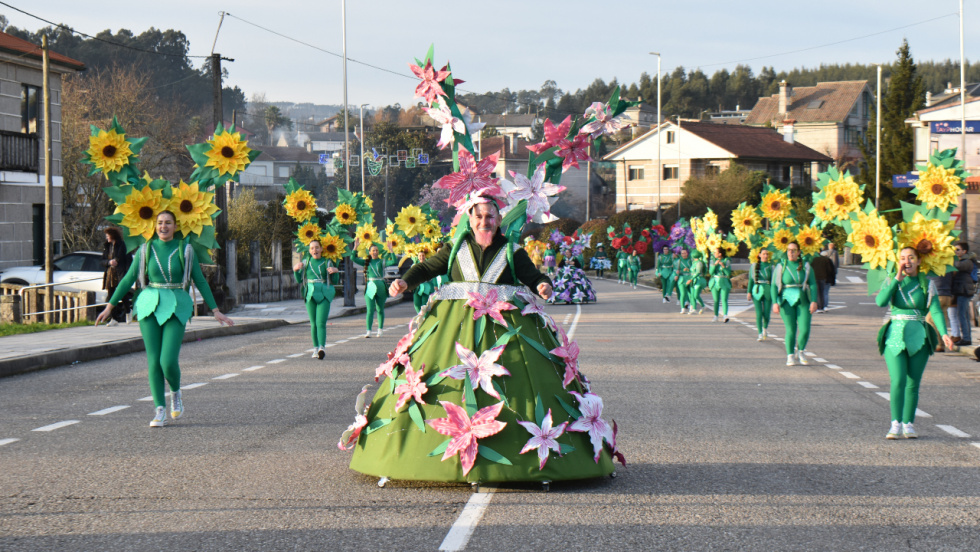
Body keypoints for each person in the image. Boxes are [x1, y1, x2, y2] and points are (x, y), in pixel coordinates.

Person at [343, 199, 620, 484]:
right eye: (479, 216)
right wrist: (405, 281)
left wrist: (542, 285)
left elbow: (532, 275)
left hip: (506, 330)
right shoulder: (454, 251)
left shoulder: (512, 251)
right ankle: (410, 454)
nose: (484, 221)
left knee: (520, 384)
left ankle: (529, 454)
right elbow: (427, 269)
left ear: (500, 220)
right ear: (470, 219)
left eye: (490, 216)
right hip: (453, 328)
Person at [95, 211, 233, 427]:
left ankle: (176, 392)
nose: (163, 226)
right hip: (149, 304)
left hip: (177, 304)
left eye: (168, 223)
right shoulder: (145, 250)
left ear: (175, 226)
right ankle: (159, 410)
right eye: (160, 223)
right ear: (155, 226)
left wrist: (216, 310)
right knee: (153, 361)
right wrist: (109, 306)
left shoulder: (185, 250)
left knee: (167, 361)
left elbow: (200, 281)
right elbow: (127, 280)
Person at [875, 247, 954, 439]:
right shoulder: (892, 280)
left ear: (919, 261)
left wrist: (944, 333)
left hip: (919, 334)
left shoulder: (927, 284)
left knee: (913, 383)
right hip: (895, 334)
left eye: (911, 257)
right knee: (898, 380)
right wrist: (897, 279)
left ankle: (908, 423)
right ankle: (895, 424)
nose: (906, 261)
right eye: (902, 258)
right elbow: (880, 301)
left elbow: (935, 310)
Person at [772, 242, 818, 366]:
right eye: (789, 250)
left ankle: (801, 350)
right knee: (791, 329)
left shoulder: (806, 266)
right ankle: (790, 355)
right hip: (786, 300)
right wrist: (775, 302)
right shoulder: (781, 266)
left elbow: (813, 283)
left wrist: (814, 300)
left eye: (793, 250)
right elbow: (774, 286)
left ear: (798, 252)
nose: (791, 253)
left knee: (805, 328)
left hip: (803, 299)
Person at [293, 239, 340, 360]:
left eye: (317, 247)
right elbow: (299, 280)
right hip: (310, 293)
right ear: (309, 251)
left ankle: (321, 348)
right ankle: (315, 348)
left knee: (321, 323)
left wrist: (336, 271)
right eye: (312, 248)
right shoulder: (306, 262)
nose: (315, 250)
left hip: (324, 293)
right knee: (313, 323)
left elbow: (334, 280)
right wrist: (296, 270)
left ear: (321, 249)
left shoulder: (327, 262)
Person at [353, 242, 390, 338]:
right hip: (370, 287)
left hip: (381, 286)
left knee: (380, 309)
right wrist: (355, 247)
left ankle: (380, 330)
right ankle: (368, 331)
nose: (375, 252)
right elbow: (353, 258)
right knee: (370, 310)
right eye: (373, 250)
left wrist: (391, 250)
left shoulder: (381, 261)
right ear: (369, 252)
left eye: (377, 250)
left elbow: (393, 261)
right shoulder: (366, 262)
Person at [101, 227, 132, 325]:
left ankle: (128, 311)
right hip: (110, 273)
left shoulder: (122, 245)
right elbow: (102, 260)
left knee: (122, 293)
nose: (106, 237)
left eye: (107, 235)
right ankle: (113, 319)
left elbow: (128, 259)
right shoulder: (107, 246)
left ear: (112, 235)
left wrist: (128, 273)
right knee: (111, 295)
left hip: (120, 272)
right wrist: (109, 262)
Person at [951, 242, 976, 346]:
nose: (955, 252)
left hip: (964, 291)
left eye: (957, 250)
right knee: (963, 315)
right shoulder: (964, 260)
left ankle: (966, 338)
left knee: (962, 315)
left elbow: (958, 266)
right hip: (961, 290)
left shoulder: (967, 261)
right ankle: (966, 337)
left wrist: (950, 259)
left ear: (964, 251)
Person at [748, 248, 774, 341]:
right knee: (759, 313)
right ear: (759, 255)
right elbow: (751, 280)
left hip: (768, 290)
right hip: (757, 290)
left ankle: (764, 328)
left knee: (766, 313)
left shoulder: (771, 266)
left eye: (767, 254)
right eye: (764, 254)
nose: (765, 256)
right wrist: (749, 292)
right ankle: (759, 333)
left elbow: (773, 281)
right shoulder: (754, 266)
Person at [708, 247, 731, 322]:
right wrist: (714, 265)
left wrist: (723, 267)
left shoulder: (726, 261)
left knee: (724, 299)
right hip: (715, 281)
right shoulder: (712, 261)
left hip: (724, 281)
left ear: (720, 254)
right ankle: (716, 315)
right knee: (716, 300)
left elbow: (728, 273)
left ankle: (725, 315)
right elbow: (711, 273)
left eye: (715, 252)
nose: (714, 254)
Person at [686, 250, 707, 315]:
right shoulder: (694, 262)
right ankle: (694, 308)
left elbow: (698, 272)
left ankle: (703, 306)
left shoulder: (699, 263)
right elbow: (693, 270)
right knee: (692, 295)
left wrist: (691, 279)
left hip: (698, 279)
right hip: (693, 280)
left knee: (696, 295)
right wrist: (688, 269)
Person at [675, 249, 693, 314]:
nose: (683, 254)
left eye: (684, 253)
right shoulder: (679, 261)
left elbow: (693, 269)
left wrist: (688, 269)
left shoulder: (690, 260)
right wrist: (677, 275)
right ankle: (682, 308)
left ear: (687, 253)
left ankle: (691, 306)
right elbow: (677, 270)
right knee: (682, 294)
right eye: (682, 253)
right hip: (682, 278)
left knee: (691, 294)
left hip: (689, 277)